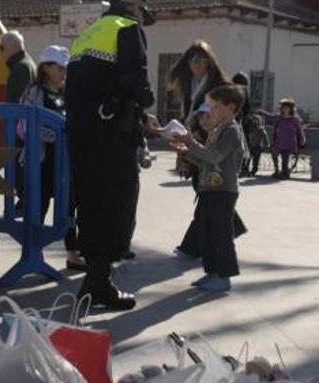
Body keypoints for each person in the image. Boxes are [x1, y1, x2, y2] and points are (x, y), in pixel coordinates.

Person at [66, 0, 155, 310]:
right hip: (113, 134)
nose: (143, 19)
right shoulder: (127, 29)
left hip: (81, 134)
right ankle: (100, 282)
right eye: (143, 12)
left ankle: (94, 279)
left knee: (90, 202)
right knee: (117, 201)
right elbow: (135, 79)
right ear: (133, 7)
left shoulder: (87, 34)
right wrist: (147, 103)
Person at [172, 85, 247, 292]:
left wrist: (191, 144)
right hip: (209, 190)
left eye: (215, 106)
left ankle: (224, 277)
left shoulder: (231, 130)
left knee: (221, 235)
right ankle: (212, 273)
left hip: (223, 191)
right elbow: (207, 161)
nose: (210, 111)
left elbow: (215, 157)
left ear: (231, 108)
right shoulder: (217, 130)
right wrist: (186, 151)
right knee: (207, 234)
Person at [18, 45, 85, 271]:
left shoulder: (69, 92)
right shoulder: (33, 93)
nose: (64, 72)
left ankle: (73, 253)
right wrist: (56, 133)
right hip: (41, 160)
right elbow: (24, 127)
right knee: (40, 203)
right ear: (46, 67)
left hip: (66, 160)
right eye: (60, 67)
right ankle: (33, 253)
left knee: (69, 205)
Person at [169, 40, 229, 129]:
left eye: (201, 60)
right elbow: (188, 113)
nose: (196, 65)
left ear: (208, 62)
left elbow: (220, 117)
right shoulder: (188, 84)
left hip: (211, 136)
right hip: (190, 135)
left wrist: (200, 133)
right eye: (193, 61)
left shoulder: (219, 86)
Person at [257, 96, 306, 179]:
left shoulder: (294, 119)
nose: (285, 110)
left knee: (285, 160)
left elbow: (299, 130)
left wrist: (302, 139)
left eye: (287, 108)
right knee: (274, 154)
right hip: (279, 141)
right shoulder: (278, 118)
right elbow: (270, 117)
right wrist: (262, 112)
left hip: (289, 142)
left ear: (291, 109)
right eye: (284, 108)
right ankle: (277, 171)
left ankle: (284, 174)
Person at [0, 31, 36, 104]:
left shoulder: (20, 68)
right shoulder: (29, 62)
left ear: (12, 46)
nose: (1, 52)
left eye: (2, 48)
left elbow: (14, 102)